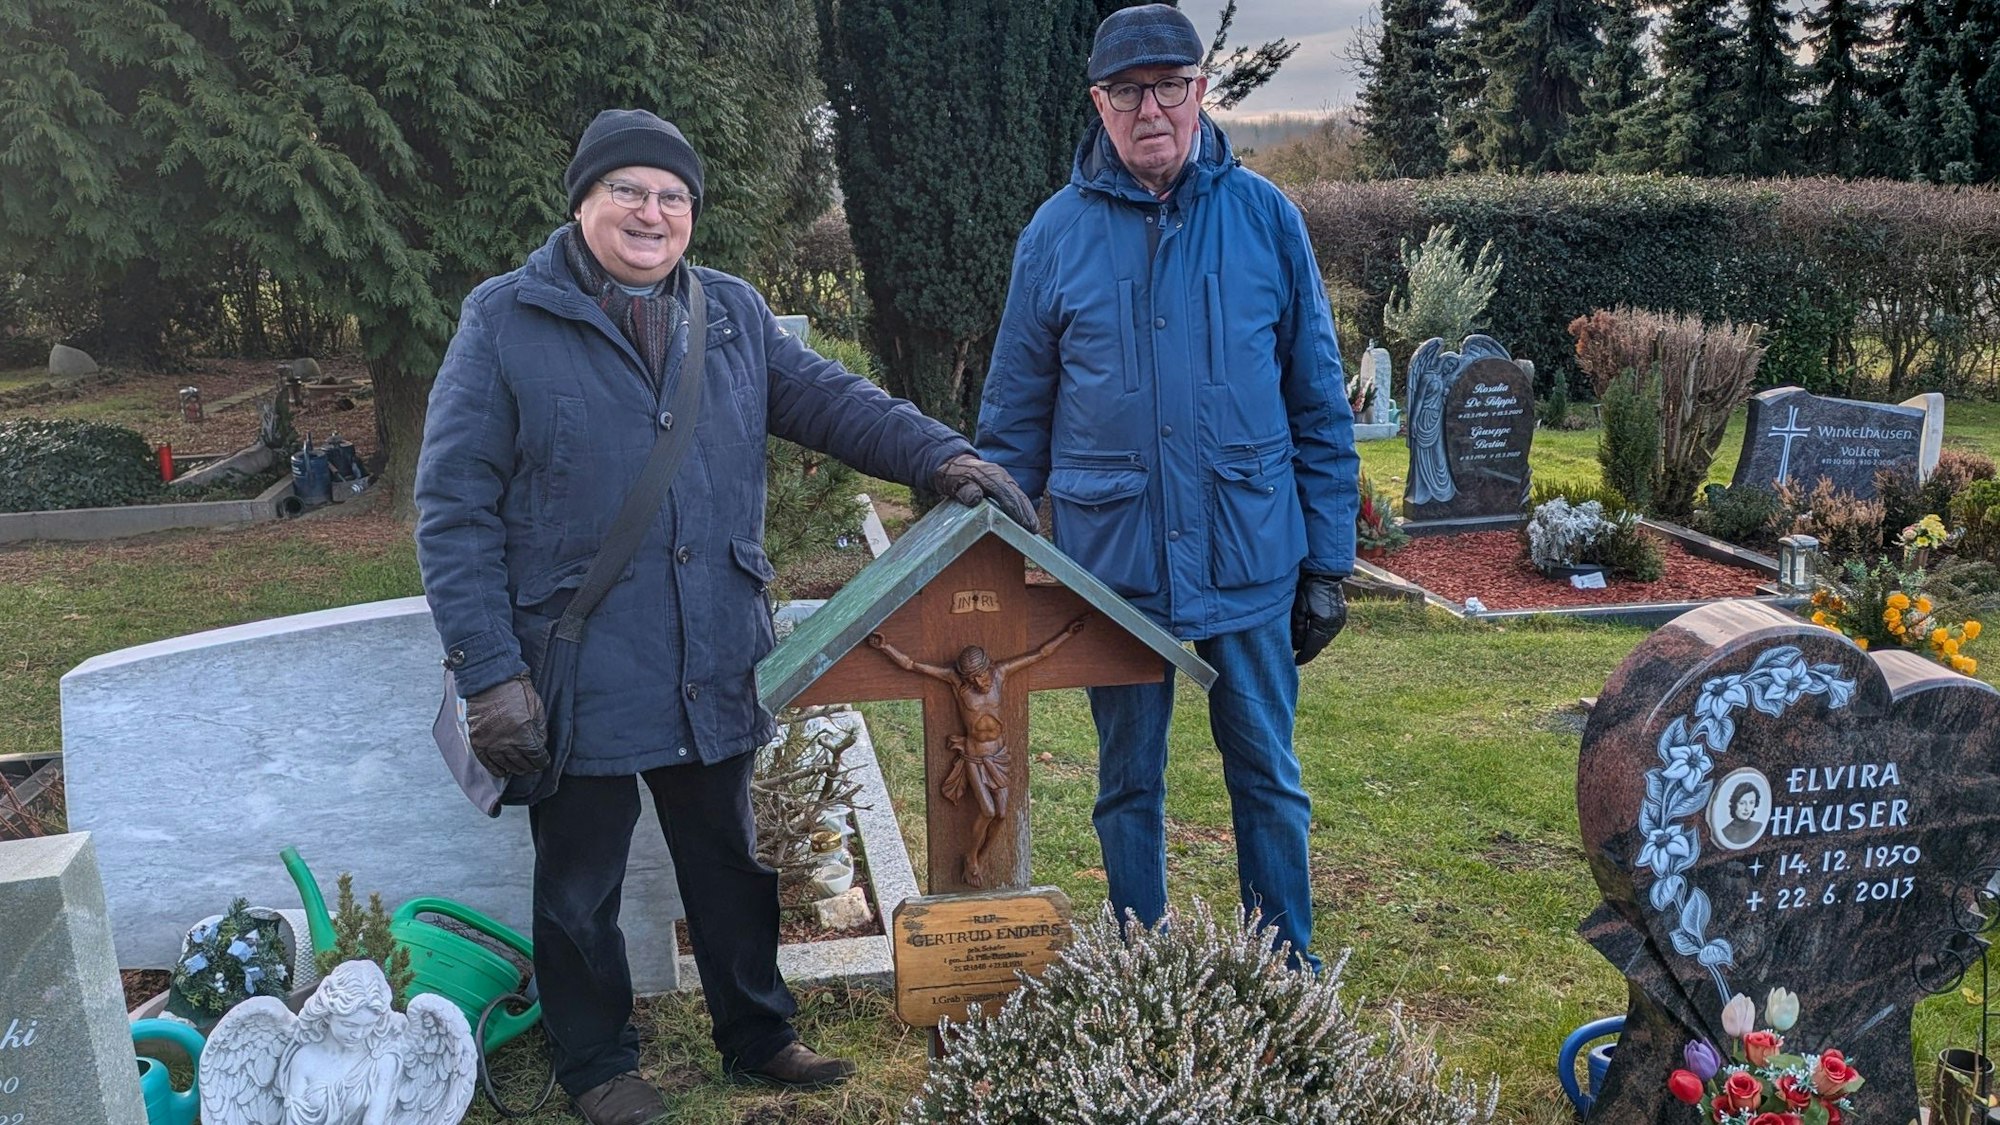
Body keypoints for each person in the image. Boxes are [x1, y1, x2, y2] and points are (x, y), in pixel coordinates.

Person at [414, 108, 1035, 1125]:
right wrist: (488, 671)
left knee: (728, 857)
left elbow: (839, 403)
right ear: (583, 201)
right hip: (576, 662)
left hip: (708, 648)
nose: (651, 213)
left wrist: (941, 456)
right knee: (580, 882)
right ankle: (597, 1065)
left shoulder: (733, 315)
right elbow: (453, 505)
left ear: (691, 215)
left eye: (672, 197)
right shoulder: (505, 319)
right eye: (629, 191)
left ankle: (756, 1033)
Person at [976, 4, 1359, 970]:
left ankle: (1284, 973)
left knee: (1268, 775)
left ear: (1201, 90)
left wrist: (1328, 563)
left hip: (1250, 549)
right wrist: (999, 570)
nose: (1152, 107)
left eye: (1170, 86)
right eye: (1128, 91)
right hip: (1116, 568)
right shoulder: (1055, 236)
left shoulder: (1268, 220)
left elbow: (1317, 402)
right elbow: (1014, 423)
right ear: (1099, 105)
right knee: (1126, 785)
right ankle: (1140, 968)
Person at [864, 617, 1085, 886]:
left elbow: (1039, 654)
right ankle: (971, 858)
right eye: (971, 678)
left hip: (998, 755)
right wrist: (886, 647)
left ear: (989, 666)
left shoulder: (1001, 674)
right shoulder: (957, 684)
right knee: (988, 811)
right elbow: (912, 666)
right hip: (974, 755)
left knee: (1002, 813)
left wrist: (1067, 634)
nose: (979, 681)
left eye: (981, 675)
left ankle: (980, 858)